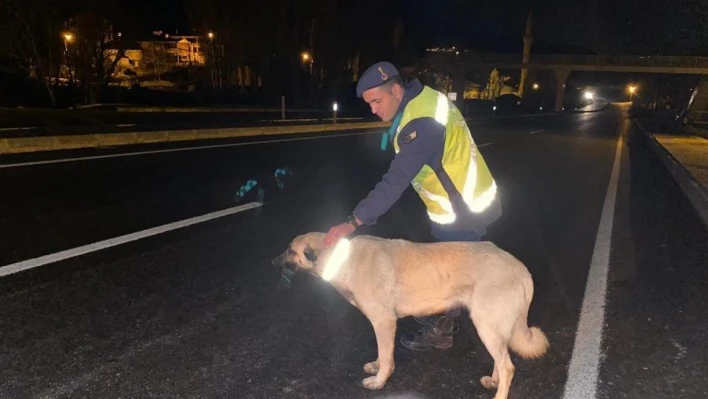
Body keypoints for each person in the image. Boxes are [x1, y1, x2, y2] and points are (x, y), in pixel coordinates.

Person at [322, 61, 503, 351]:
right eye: (369, 104)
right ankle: (443, 315)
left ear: (396, 90)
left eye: (377, 101)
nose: (373, 109)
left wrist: (353, 221)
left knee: (452, 276)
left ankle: (443, 330)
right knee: (447, 269)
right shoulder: (424, 100)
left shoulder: (421, 125)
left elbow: (394, 182)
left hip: (463, 208)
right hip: (460, 200)